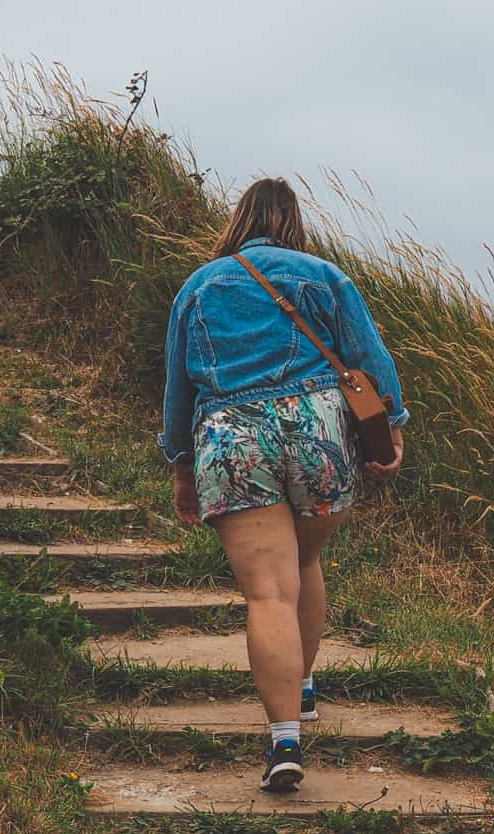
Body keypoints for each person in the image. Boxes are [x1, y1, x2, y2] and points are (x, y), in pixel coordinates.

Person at [158, 178, 408, 793]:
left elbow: (178, 389)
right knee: (307, 557)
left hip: (234, 433)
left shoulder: (200, 285)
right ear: (293, 222)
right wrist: (392, 427)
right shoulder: (322, 275)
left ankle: (285, 741)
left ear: (239, 220)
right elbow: (371, 359)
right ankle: (302, 686)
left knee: (270, 591)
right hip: (317, 427)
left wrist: (182, 466)